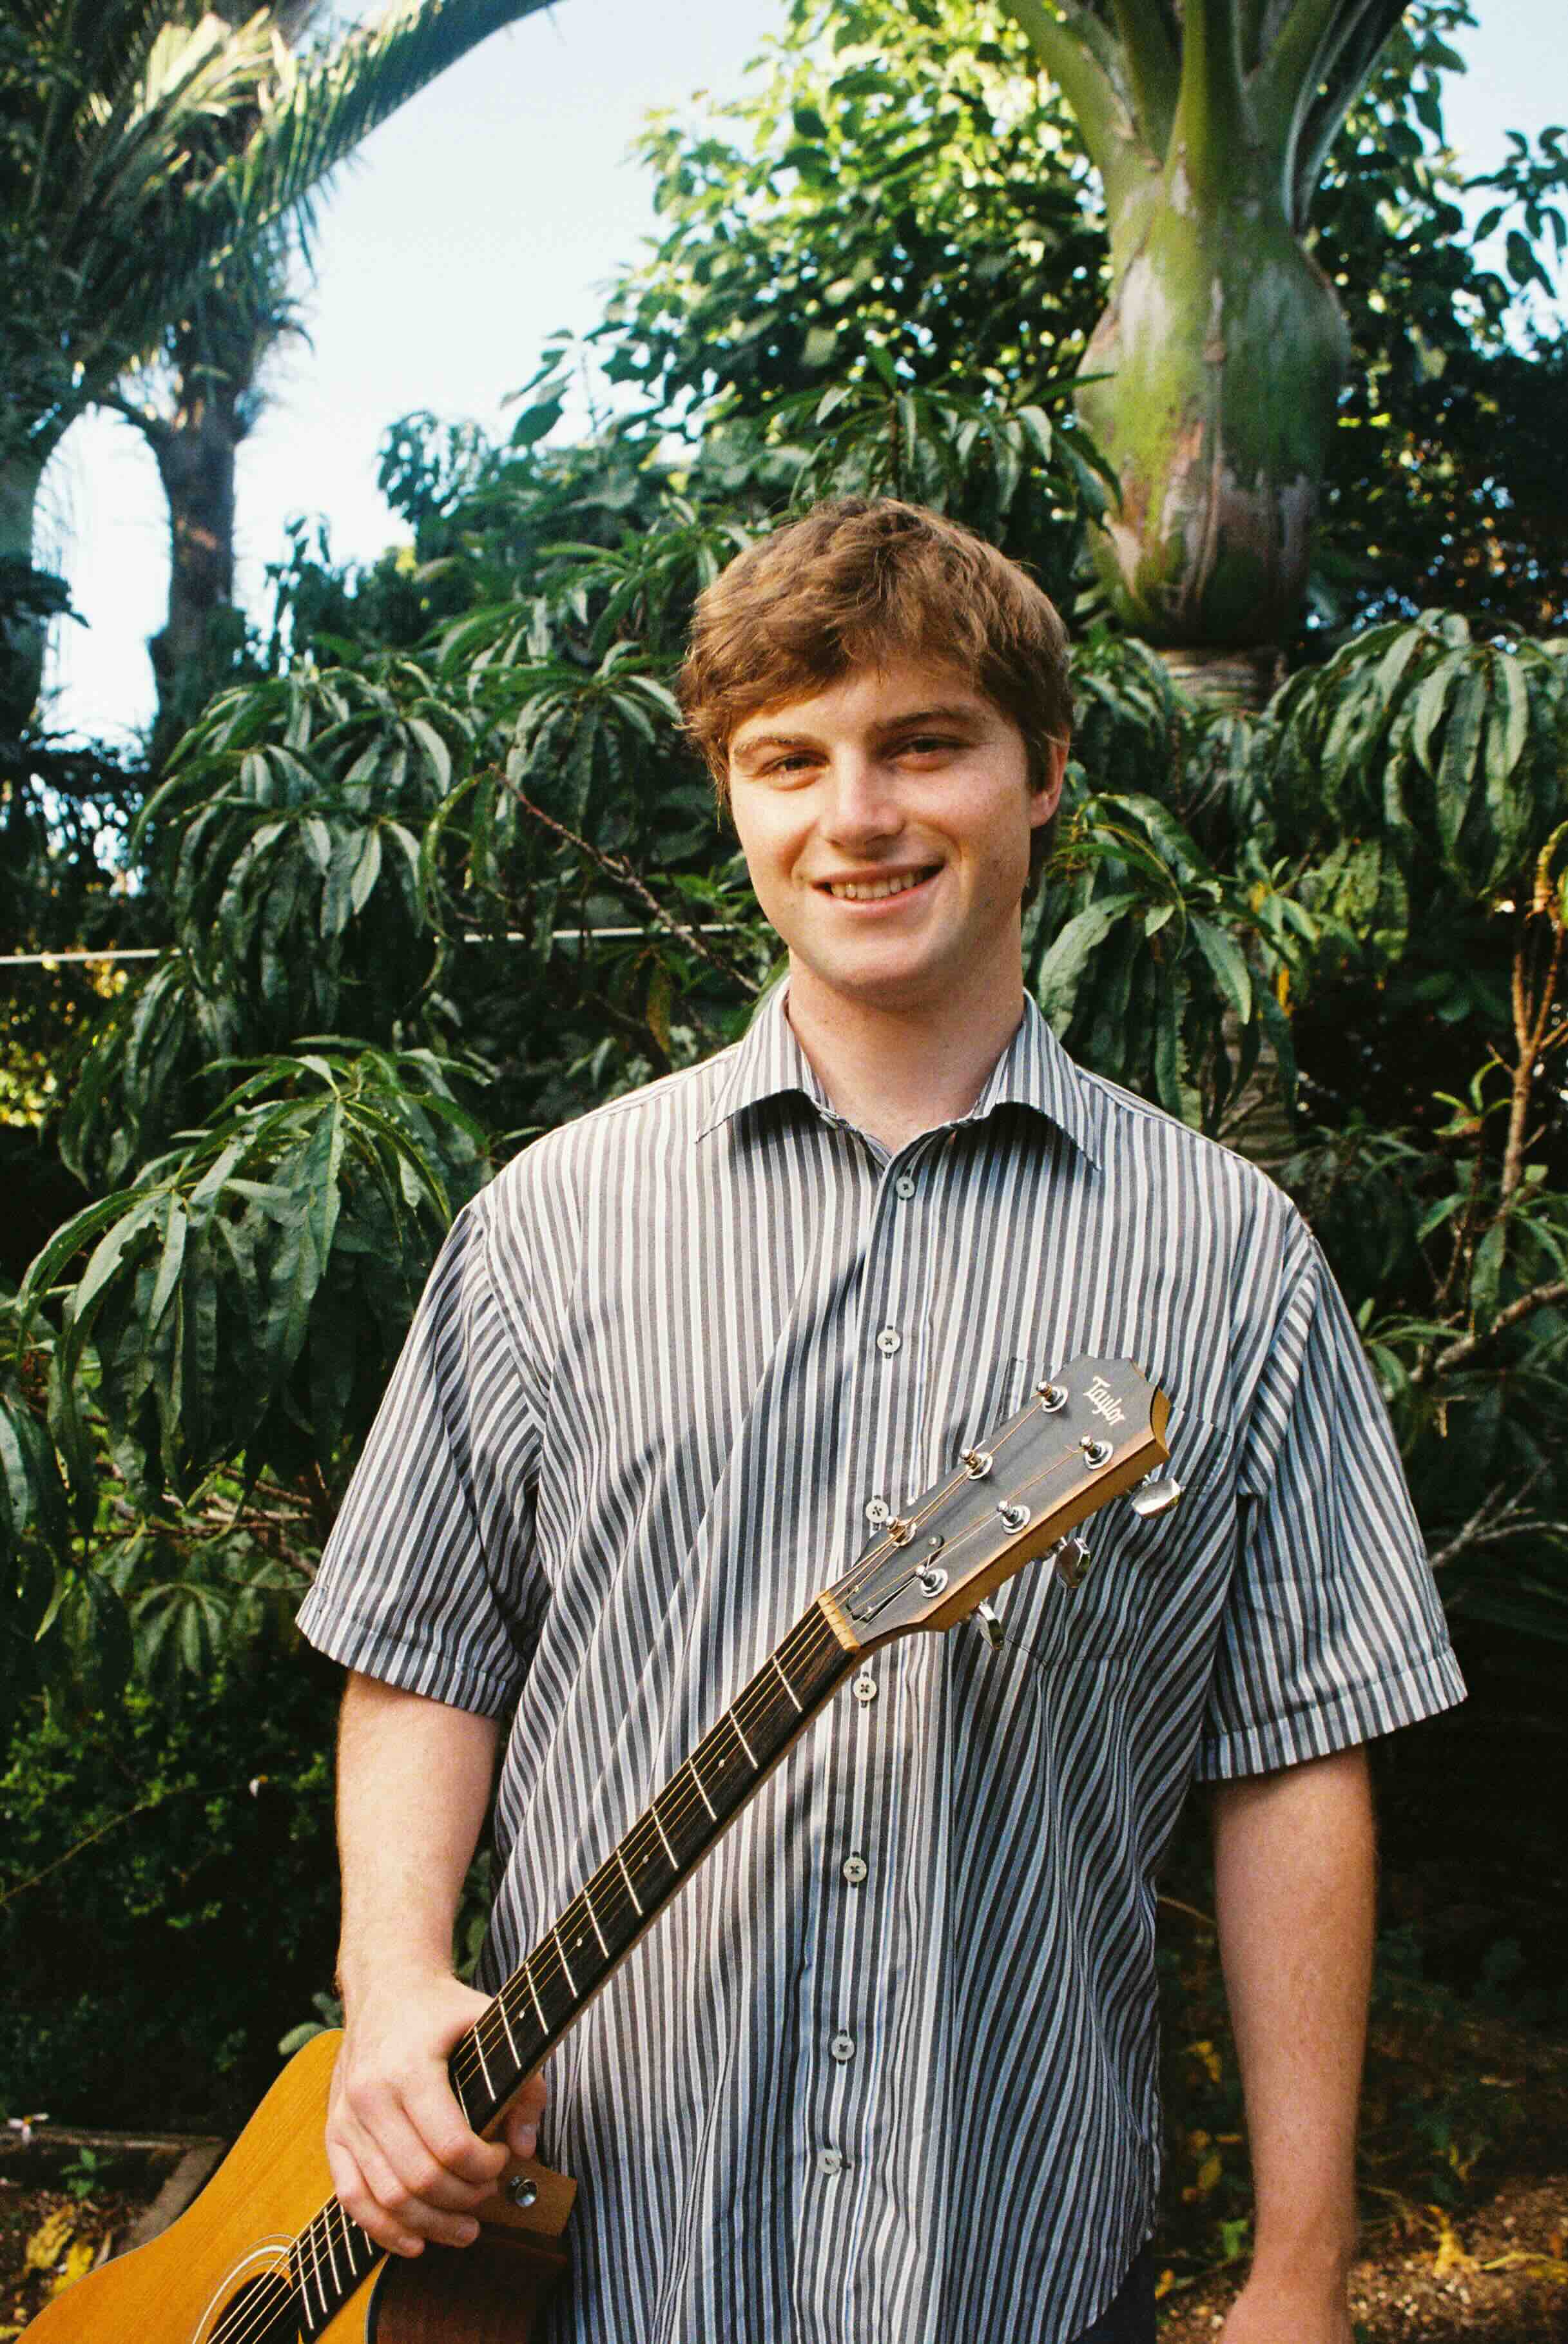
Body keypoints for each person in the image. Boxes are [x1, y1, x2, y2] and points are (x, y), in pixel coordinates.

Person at [297, 496, 1465, 2344]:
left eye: (923, 744)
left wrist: (1300, 2269)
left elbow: (1294, 1762)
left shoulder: (1225, 1254)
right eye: (790, 761)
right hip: (571, 2266)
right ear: (735, 800)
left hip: (1008, 2261)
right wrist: (388, 1987)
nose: (856, 816)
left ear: (1041, 777)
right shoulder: (551, 1221)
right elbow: (426, 1652)